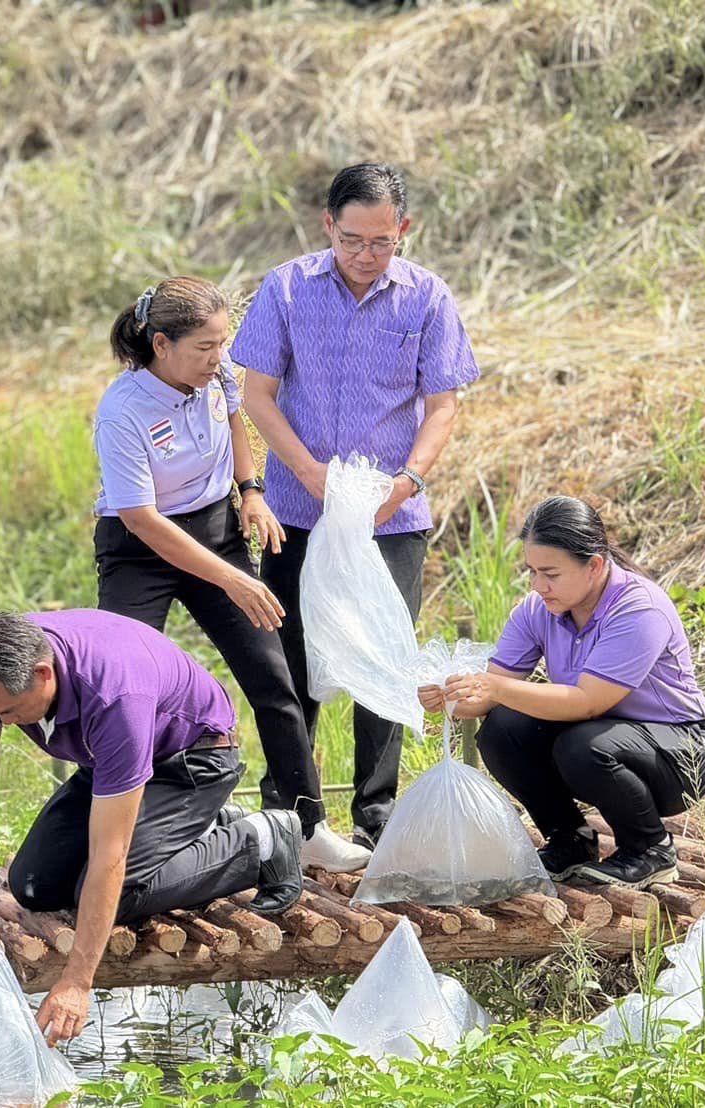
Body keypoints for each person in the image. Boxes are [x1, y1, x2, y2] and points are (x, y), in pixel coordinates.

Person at [233, 162, 480, 849]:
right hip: (294, 508)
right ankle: (290, 810)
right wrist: (307, 473)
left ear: (403, 230)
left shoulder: (427, 298)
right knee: (291, 659)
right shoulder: (286, 288)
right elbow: (256, 396)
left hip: (389, 515)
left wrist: (407, 481)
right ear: (327, 226)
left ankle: (376, 817)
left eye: (380, 242)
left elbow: (441, 406)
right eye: (351, 241)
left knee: (382, 657)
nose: (365, 257)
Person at [93, 275, 367, 871]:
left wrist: (252, 492)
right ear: (161, 344)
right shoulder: (122, 412)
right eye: (205, 348)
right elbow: (140, 518)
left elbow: (237, 428)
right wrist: (231, 577)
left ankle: (308, 825)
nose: (220, 359)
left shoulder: (215, 375)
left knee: (275, 682)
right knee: (120, 690)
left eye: (223, 344)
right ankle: (118, 834)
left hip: (216, 526)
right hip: (142, 547)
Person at [0, 610, 303, 1044]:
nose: (3, 722)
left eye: (11, 712)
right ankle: (199, 827)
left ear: (43, 674)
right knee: (34, 886)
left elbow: (109, 856)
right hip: (106, 763)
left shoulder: (115, 694)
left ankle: (260, 840)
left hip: (192, 761)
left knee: (126, 891)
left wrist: (77, 981)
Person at [420, 497, 705, 889]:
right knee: (501, 730)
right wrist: (453, 698)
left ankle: (650, 850)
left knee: (580, 745)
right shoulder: (537, 610)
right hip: (602, 738)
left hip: (681, 752)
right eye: (531, 571)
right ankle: (570, 840)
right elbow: (492, 695)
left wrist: (494, 686)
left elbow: (587, 701)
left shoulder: (639, 608)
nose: (537, 585)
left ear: (594, 565)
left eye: (550, 573)